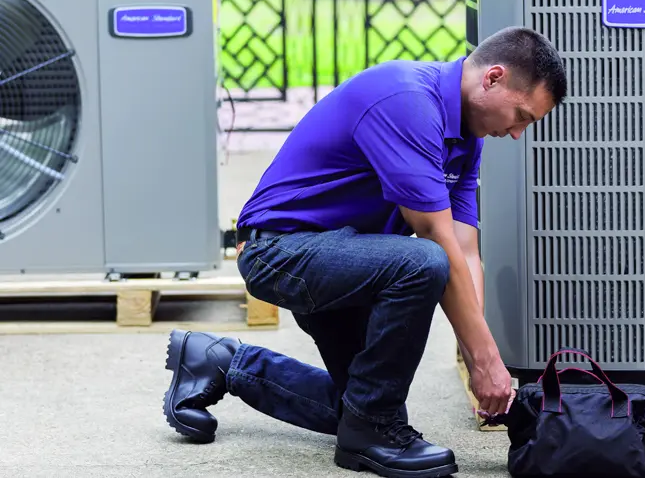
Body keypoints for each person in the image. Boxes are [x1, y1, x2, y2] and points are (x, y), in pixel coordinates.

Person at [161, 26, 567, 478]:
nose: (516, 133)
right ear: (493, 78)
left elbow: (467, 250)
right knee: (423, 264)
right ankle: (373, 433)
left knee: (358, 403)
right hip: (281, 252)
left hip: (346, 260)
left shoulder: (466, 138)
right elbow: (436, 239)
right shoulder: (407, 101)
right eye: (522, 116)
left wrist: (479, 361)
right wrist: (487, 362)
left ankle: (219, 362)